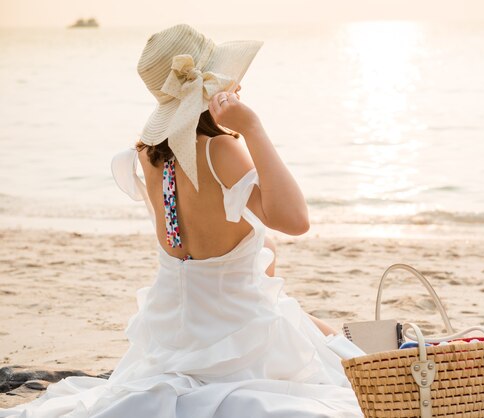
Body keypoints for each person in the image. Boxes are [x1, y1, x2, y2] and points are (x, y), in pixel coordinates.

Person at [0, 24, 363, 417]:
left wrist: (258, 251)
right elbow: (295, 220)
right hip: (230, 338)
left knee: (283, 294)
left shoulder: (148, 155)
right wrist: (252, 128)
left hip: (175, 333)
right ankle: (372, 360)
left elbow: (202, 248)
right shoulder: (220, 149)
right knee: (311, 336)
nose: (238, 86)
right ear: (213, 89)